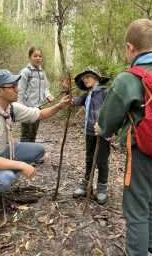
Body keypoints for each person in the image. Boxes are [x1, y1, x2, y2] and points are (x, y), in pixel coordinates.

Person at [95, 19, 152, 256]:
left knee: (136, 211)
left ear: (130, 47)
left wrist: (103, 131)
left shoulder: (129, 78)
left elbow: (108, 122)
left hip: (143, 155)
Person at [0, 69, 70, 208]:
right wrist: (21, 165)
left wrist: (59, 106)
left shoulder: (10, 108)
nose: (18, 89)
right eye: (13, 86)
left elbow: (39, 114)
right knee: (5, 178)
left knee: (38, 150)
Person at [62, 66, 110, 205]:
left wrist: (109, 130)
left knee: (102, 161)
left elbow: (114, 112)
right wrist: (68, 90)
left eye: (87, 76)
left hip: (101, 133)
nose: (85, 79)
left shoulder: (105, 92)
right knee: (89, 159)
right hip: (89, 132)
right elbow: (73, 101)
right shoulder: (88, 94)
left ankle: (102, 188)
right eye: (83, 78)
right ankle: (86, 186)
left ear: (96, 77)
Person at [17, 47, 55, 142]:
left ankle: (31, 155)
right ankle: (24, 155)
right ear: (29, 57)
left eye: (40, 56)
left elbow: (45, 88)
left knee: (33, 133)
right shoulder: (25, 72)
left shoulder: (42, 73)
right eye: (35, 56)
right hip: (27, 108)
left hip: (38, 108)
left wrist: (48, 96)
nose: (38, 58)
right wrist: (19, 107)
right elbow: (20, 90)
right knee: (26, 134)